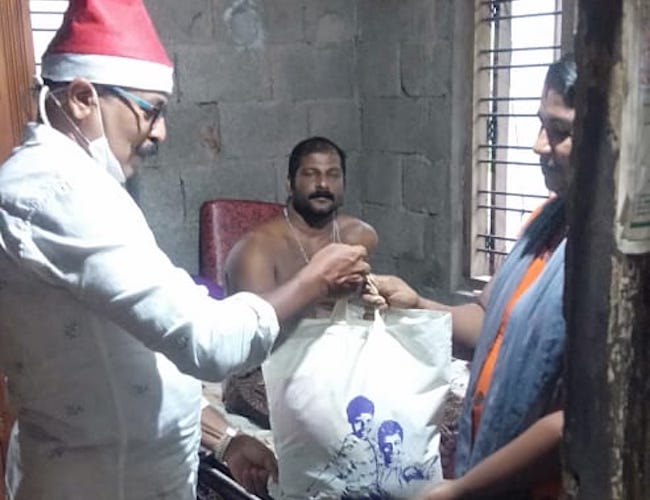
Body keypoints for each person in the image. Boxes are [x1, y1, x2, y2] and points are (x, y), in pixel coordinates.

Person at [0, 1, 369, 499]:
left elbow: (142, 352)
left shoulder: (86, 187)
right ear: (84, 98)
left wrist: (225, 438)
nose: (160, 131)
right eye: (150, 110)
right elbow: (207, 339)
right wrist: (314, 281)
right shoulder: (57, 193)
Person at [366, 54, 576, 500]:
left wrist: (460, 490)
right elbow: (490, 323)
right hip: (486, 469)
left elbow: (574, 423)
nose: (539, 146)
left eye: (560, 131)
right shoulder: (545, 223)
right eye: (541, 125)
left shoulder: (614, 267)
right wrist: (417, 306)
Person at [220, 136, 378, 428]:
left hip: (335, 358)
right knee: (331, 420)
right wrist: (316, 287)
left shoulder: (358, 236)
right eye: (311, 174)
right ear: (290, 183)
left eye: (333, 175)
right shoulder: (255, 249)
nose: (323, 184)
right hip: (265, 371)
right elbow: (253, 335)